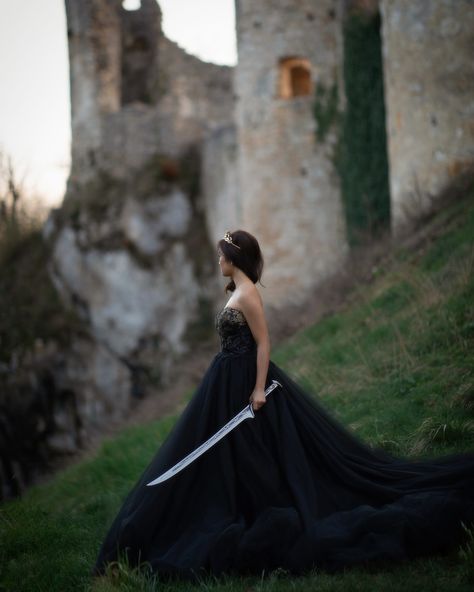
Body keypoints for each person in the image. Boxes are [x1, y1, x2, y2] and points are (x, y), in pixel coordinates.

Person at [92, 229, 474, 582]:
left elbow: (264, 344)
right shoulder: (234, 291)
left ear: (234, 258)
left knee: (255, 451)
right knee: (221, 452)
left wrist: (258, 390)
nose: (218, 261)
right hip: (224, 382)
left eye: (222, 255)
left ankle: (258, 503)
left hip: (245, 383)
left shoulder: (248, 295)